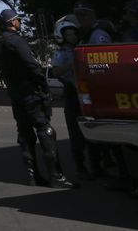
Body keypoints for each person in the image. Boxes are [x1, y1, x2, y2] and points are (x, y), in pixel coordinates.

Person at [0, 9, 76, 189]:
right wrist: (42, 85)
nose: (19, 22)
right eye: (17, 20)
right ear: (12, 22)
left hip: (15, 93)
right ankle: (56, 176)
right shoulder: (16, 41)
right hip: (30, 92)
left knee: (25, 134)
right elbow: (32, 65)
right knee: (45, 130)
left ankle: (33, 176)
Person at [50, 17, 92, 179]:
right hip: (72, 93)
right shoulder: (61, 53)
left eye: (73, 33)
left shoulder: (81, 49)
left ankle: (98, 163)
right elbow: (56, 72)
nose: (72, 37)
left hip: (87, 92)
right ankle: (80, 166)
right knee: (76, 131)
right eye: (68, 34)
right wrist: (73, 63)